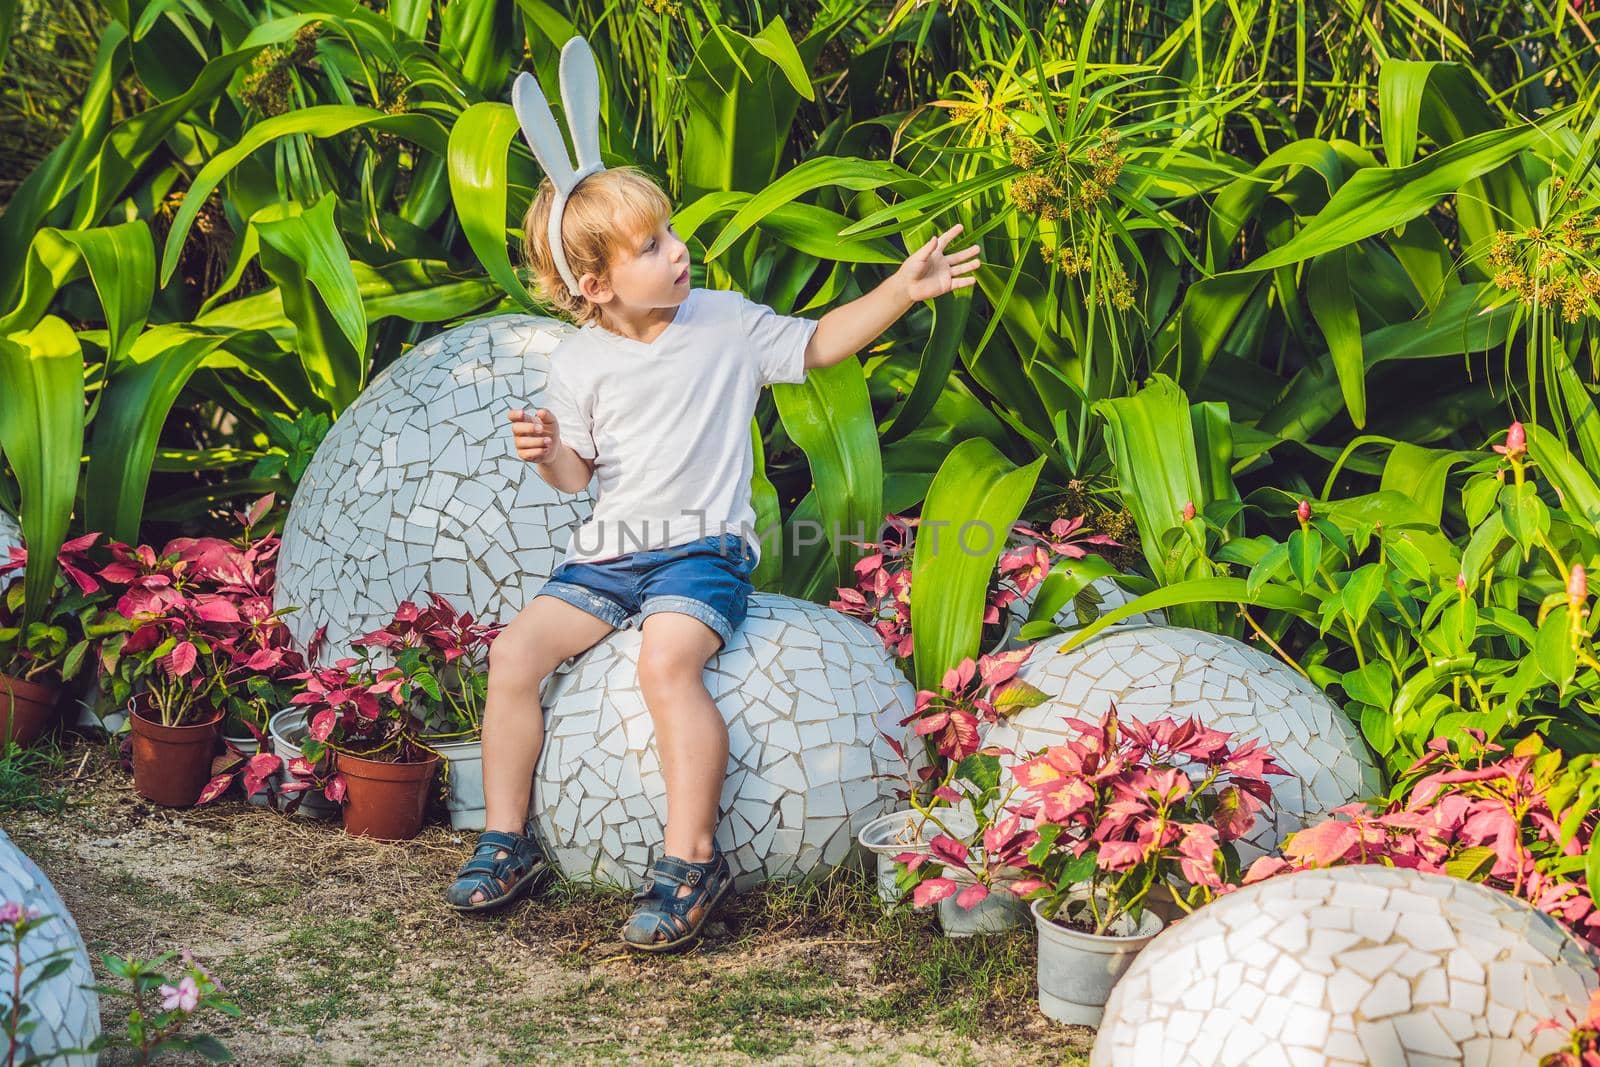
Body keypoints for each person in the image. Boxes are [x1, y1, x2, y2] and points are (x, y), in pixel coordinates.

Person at [445, 40, 980, 954]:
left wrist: (900, 287)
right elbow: (580, 476)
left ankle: (690, 860)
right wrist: (546, 455)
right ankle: (506, 835)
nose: (679, 250)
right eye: (652, 246)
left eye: (671, 230)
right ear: (597, 284)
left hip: (702, 549)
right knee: (514, 657)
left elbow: (817, 344)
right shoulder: (581, 360)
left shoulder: (726, 323)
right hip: (610, 550)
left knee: (667, 664)